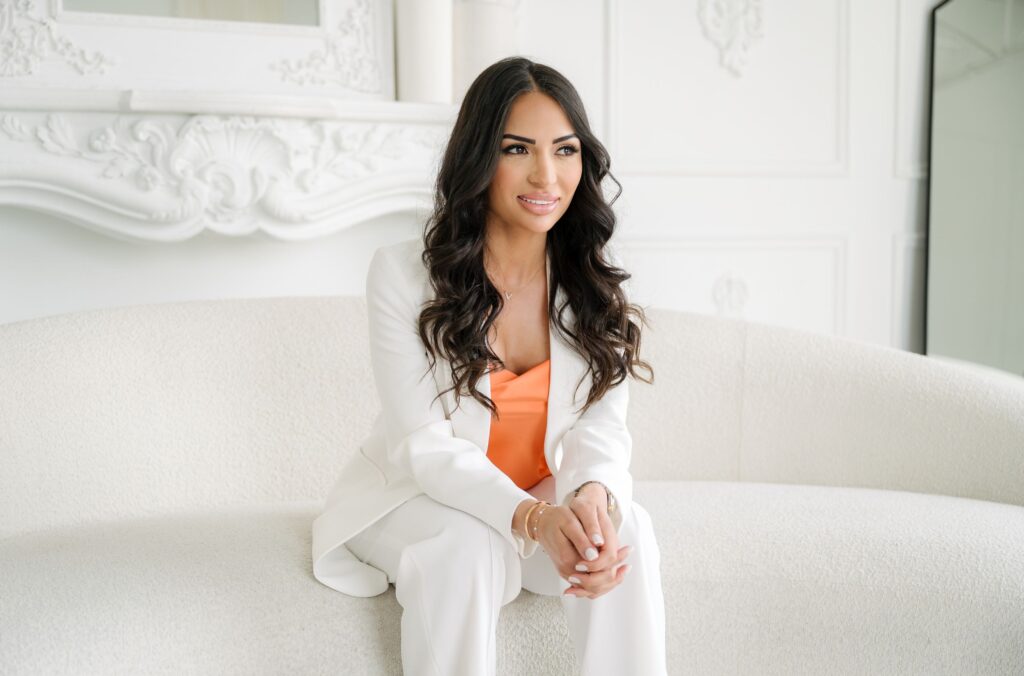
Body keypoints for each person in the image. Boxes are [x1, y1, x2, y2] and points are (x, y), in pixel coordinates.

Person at [311, 56, 667, 675]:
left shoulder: (589, 284)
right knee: (466, 547)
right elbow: (425, 448)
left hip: (538, 499)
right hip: (415, 499)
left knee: (622, 525)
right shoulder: (403, 275)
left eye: (564, 150)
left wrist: (588, 498)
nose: (546, 174)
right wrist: (535, 516)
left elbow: (601, 434)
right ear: (479, 157)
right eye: (517, 149)